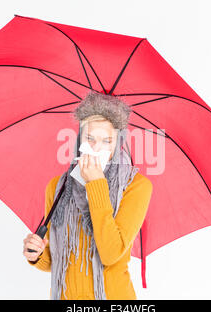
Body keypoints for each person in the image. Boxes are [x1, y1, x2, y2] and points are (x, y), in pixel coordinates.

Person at [23, 90, 153, 300]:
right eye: (90, 138)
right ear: (79, 138)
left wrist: (97, 185)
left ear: (118, 142)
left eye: (106, 141)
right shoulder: (58, 186)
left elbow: (110, 254)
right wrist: (37, 253)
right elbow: (57, 261)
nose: (95, 148)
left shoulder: (136, 186)